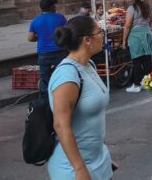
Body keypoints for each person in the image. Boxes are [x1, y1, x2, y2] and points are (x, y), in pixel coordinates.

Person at [48, 16, 112, 179]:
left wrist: (102, 154)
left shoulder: (88, 65)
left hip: (99, 162)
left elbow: (94, 119)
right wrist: (79, 168)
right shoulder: (67, 75)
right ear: (87, 40)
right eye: (100, 32)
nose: (103, 36)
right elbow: (61, 125)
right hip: (73, 169)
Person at [28, 0, 68, 99]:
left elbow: (30, 38)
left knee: (44, 78)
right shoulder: (60, 18)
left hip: (43, 53)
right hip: (60, 51)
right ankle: (63, 96)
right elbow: (66, 33)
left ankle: (44, 100)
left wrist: (40, 36)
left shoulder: (35, 21)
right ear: (51, 7)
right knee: (63, 74)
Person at [122, 0, 152, 93]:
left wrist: (124, 41)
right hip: (147, 34)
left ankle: (136, 85)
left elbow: (127, 25)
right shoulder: (149, 7)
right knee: (147, 60)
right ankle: (148, 83)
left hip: (136, 36)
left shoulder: (132, 8)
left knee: (137, 61)